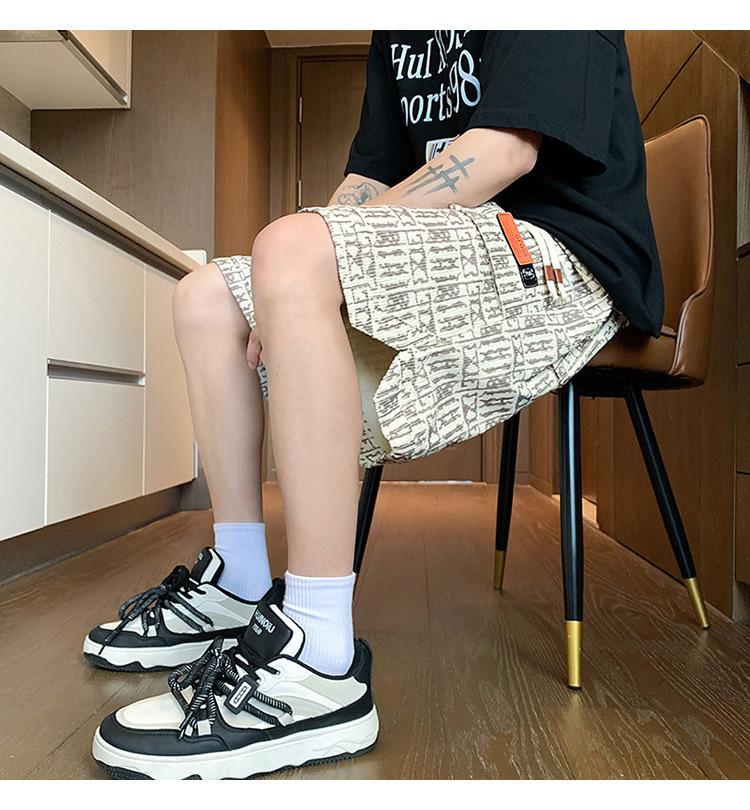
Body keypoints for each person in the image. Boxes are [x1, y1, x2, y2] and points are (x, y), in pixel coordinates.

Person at [85, 30, 662, 779]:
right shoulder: (401, 29)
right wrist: (296, 266)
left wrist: (310, 254)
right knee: (207, 297)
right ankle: (239, 578)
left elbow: (505, 150)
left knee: (296, 251)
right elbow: (367, 176)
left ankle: (320, 657)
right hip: (460, 236)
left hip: (567, 259)